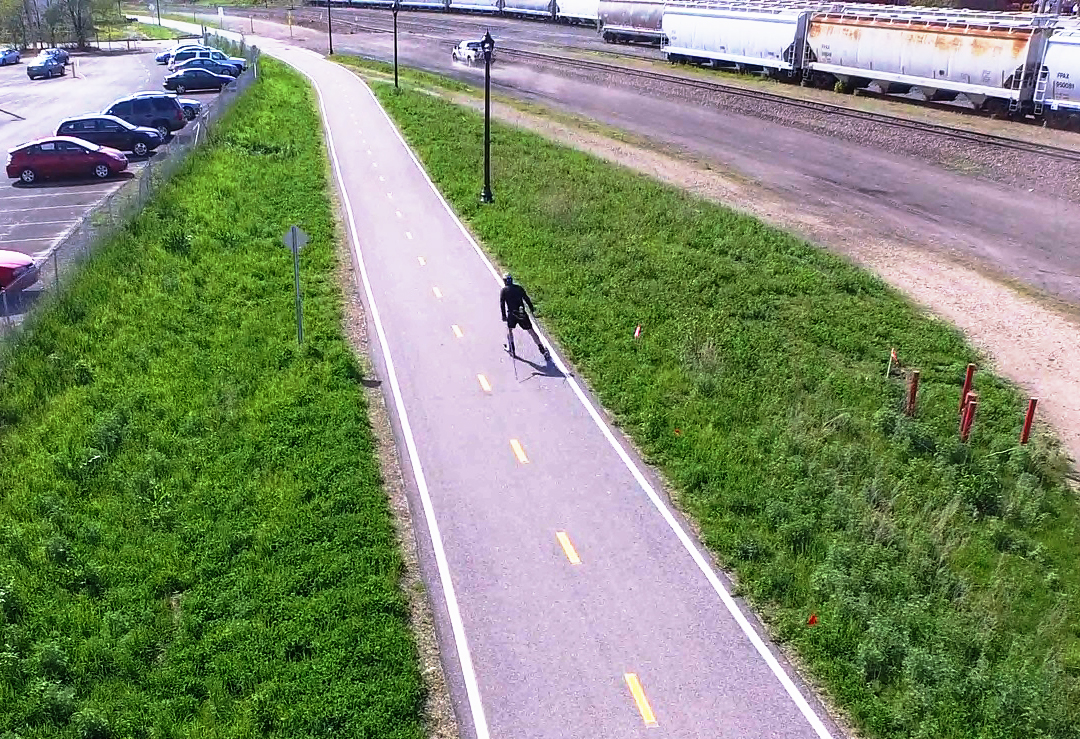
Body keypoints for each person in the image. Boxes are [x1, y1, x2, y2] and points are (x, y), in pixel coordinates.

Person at [500, 273, 550, 361]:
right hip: (522, 313)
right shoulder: (519, 288)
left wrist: (504, 316)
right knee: (531, 331)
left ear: (505, 281)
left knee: (509, 330)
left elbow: (502, 304)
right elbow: (526, 298)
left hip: (512, 314)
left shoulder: (504, 291)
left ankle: (512, 349)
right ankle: (542, 350)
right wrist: (531, 308)